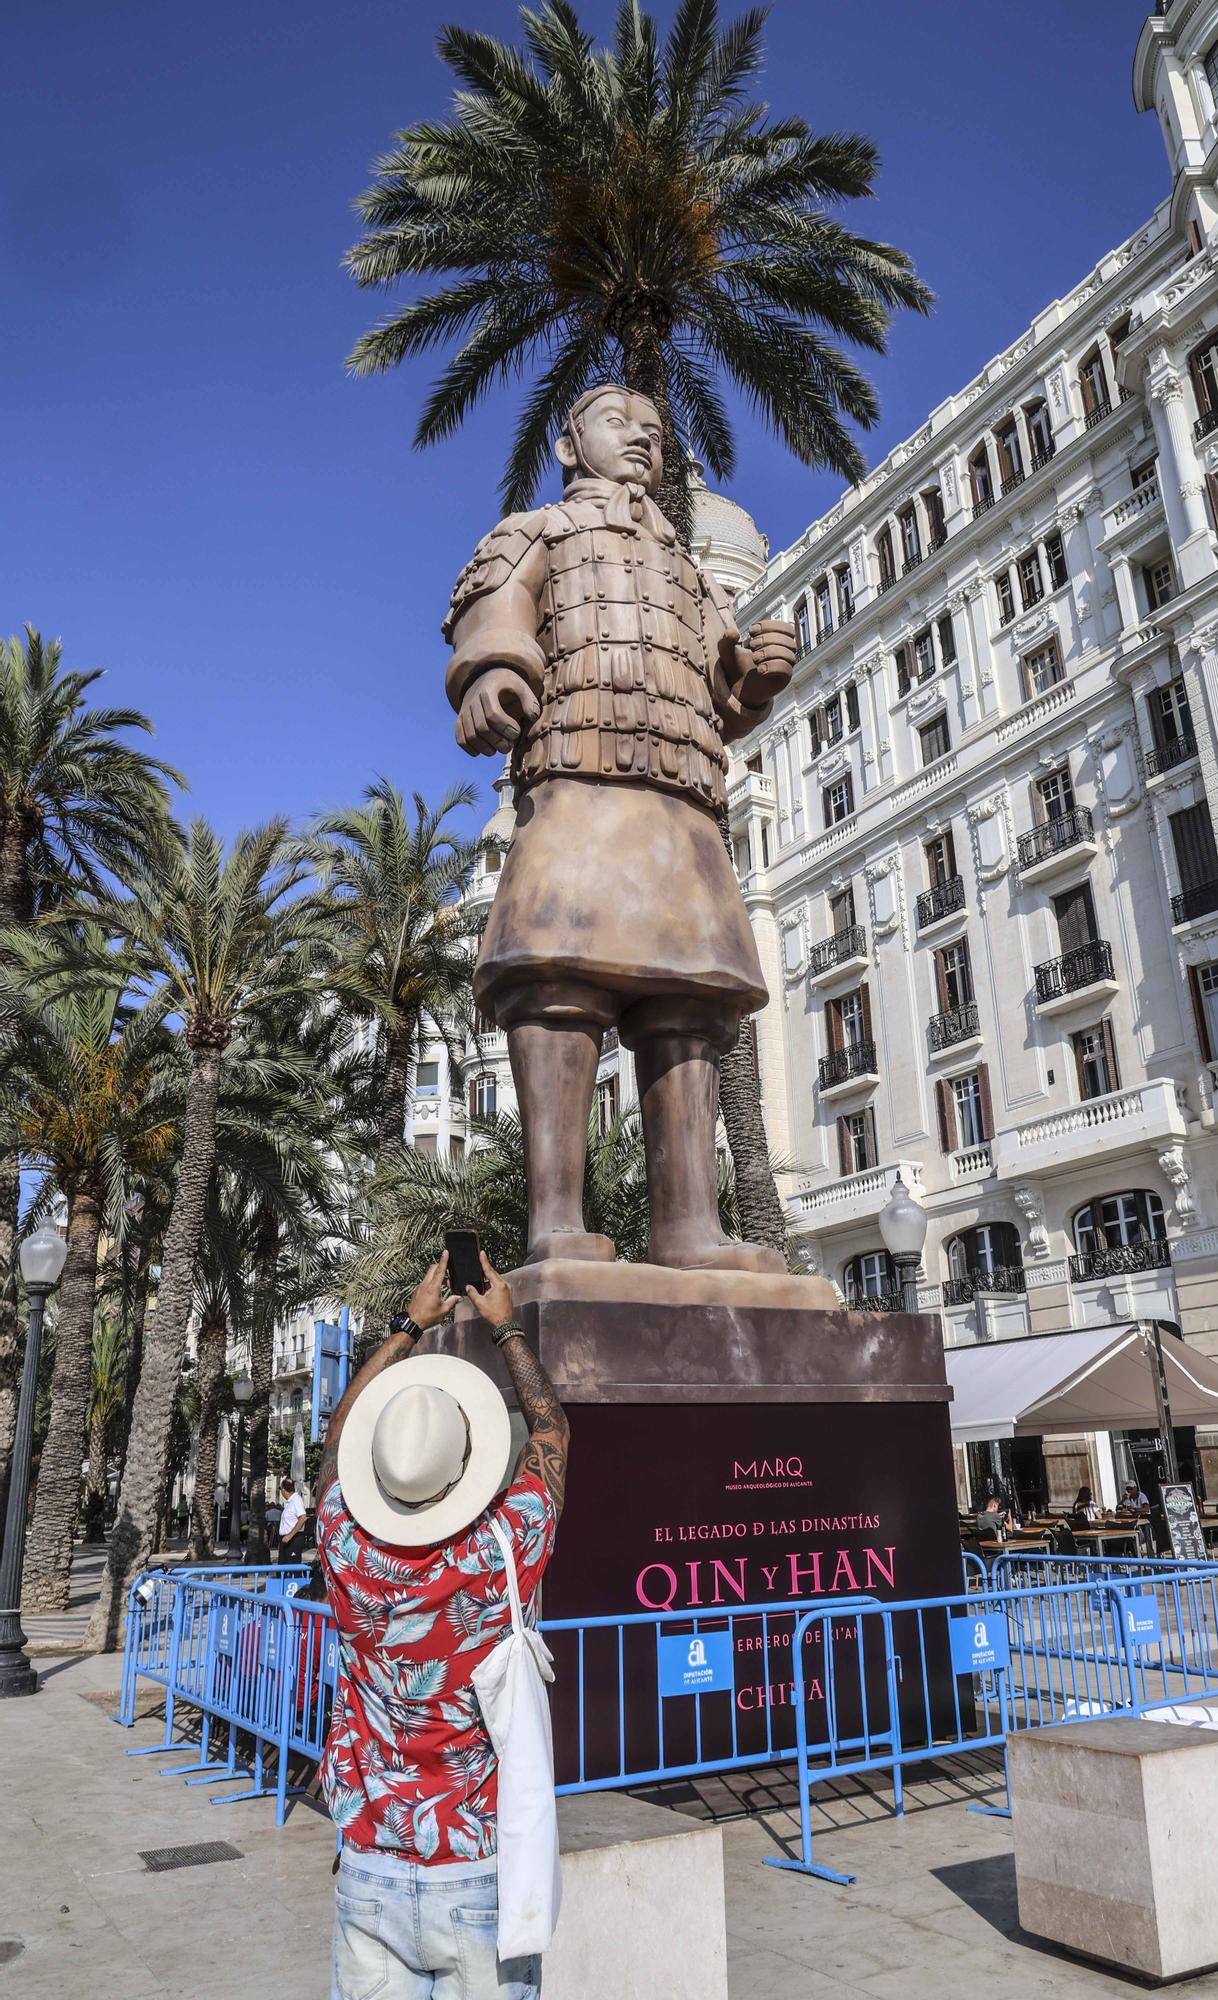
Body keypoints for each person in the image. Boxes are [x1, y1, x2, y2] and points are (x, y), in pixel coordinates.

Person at [444, 383, 797, 1273]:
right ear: (568, 447)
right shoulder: (538, 533)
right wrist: (490, 671)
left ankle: (689, 1228)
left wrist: (755, 675)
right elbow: (490, 615)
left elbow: (724, 693)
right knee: (558, 987)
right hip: (575, 785)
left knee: (690, 1002)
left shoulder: (683, 567)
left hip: (680, 803)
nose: (640, 440)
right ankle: (554, 1221)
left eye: (653, 431)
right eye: (616, 424)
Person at [316, 1250, 568, 2000]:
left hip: (367, 1860)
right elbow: (552, 1436)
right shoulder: (502, 1548)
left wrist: (406, 1329)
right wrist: (506, 1330)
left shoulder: (343, 1543)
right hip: (476, 1868)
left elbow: (333, 1446)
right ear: (464, 1463)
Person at [277, 1477, 307, 1562]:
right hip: (286, 1539)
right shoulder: (290, 1502)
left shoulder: (296, 1500)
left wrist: (290, 1535)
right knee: (282, 1569)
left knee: (293, 1567)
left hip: (293, 1539)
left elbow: (303, 1517)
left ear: (283, 1490)